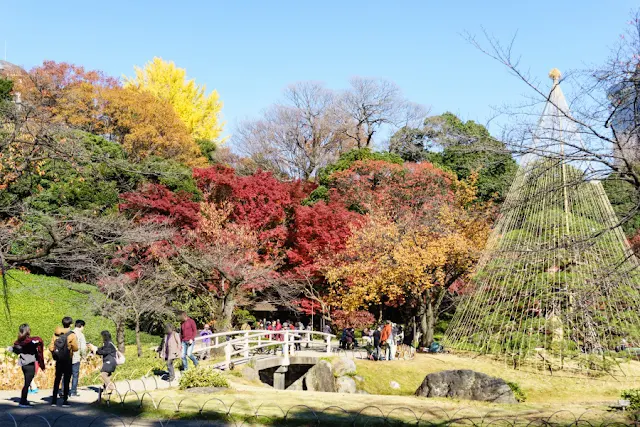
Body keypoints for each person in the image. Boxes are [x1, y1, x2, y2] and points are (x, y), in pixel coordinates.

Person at [7, 324, 45, 408]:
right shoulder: (30, 342)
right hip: (29, 364)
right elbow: (35, 347)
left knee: (27, 383)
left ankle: (24, 400)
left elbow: (15, 349)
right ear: (28, 331)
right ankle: (23, 401)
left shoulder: (19, 342)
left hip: (24, 364)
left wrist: (10, 348)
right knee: (27, 383)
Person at [49, 316, 78, 407]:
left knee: (57, 379)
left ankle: (54, 400)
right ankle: (65, 400)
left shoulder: (56, 334)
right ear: (70, 324)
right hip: (67, 359)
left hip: (58, 360)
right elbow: (76, 348)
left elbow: (51, 347)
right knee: (66, 379)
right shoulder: (72, 335)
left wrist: (57, 353)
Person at [89, 331, 117, 397]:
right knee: (108, 375)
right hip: (110, 361)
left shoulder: (109, 344)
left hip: (109, 361)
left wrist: (96, 350)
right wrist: (94, 348)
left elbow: (104, 352)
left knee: (103, 374)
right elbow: (101, 349)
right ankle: (106, 389)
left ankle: (111, 388)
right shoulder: (107, 343)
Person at [69, 319, 87, 397]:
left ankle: (63, 391)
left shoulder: (69, 333)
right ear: (81, 326)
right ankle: (73, 392)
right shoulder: (80, 335)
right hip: (75, 358)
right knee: (75, 375)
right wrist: (84, 356)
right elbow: (83, 348)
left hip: (67, 357)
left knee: (66, 375)